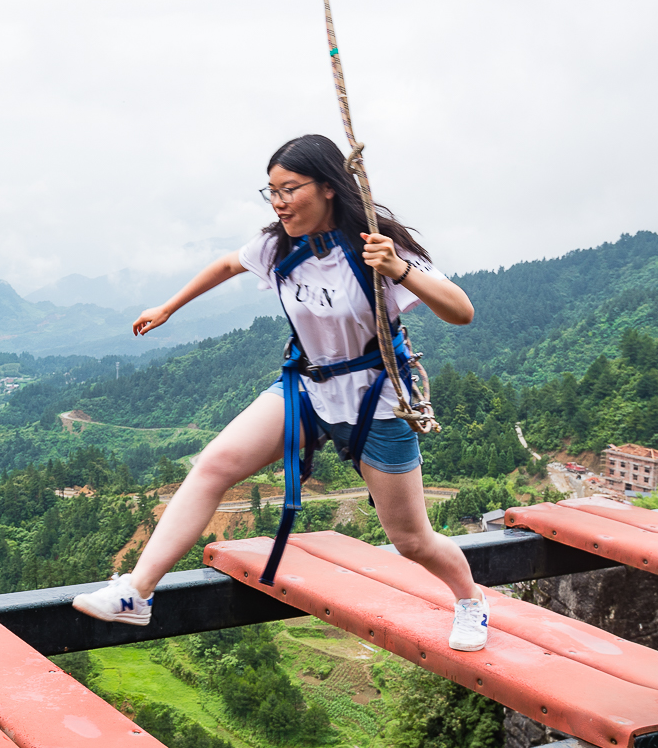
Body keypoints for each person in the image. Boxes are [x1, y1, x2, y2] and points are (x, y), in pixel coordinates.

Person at [72, 134, 489, 651]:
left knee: (410, 540)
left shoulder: (377, 247)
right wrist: (168, 307)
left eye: (290, 189)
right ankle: (137, 591)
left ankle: (471, 600)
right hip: (307, 388)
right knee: (214, 465)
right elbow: (228, 264)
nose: (279, 202)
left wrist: (398, 269)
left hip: (375, 399)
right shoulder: (278, 246)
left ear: (330, 187)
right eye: (271, 191)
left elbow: (462, 310)